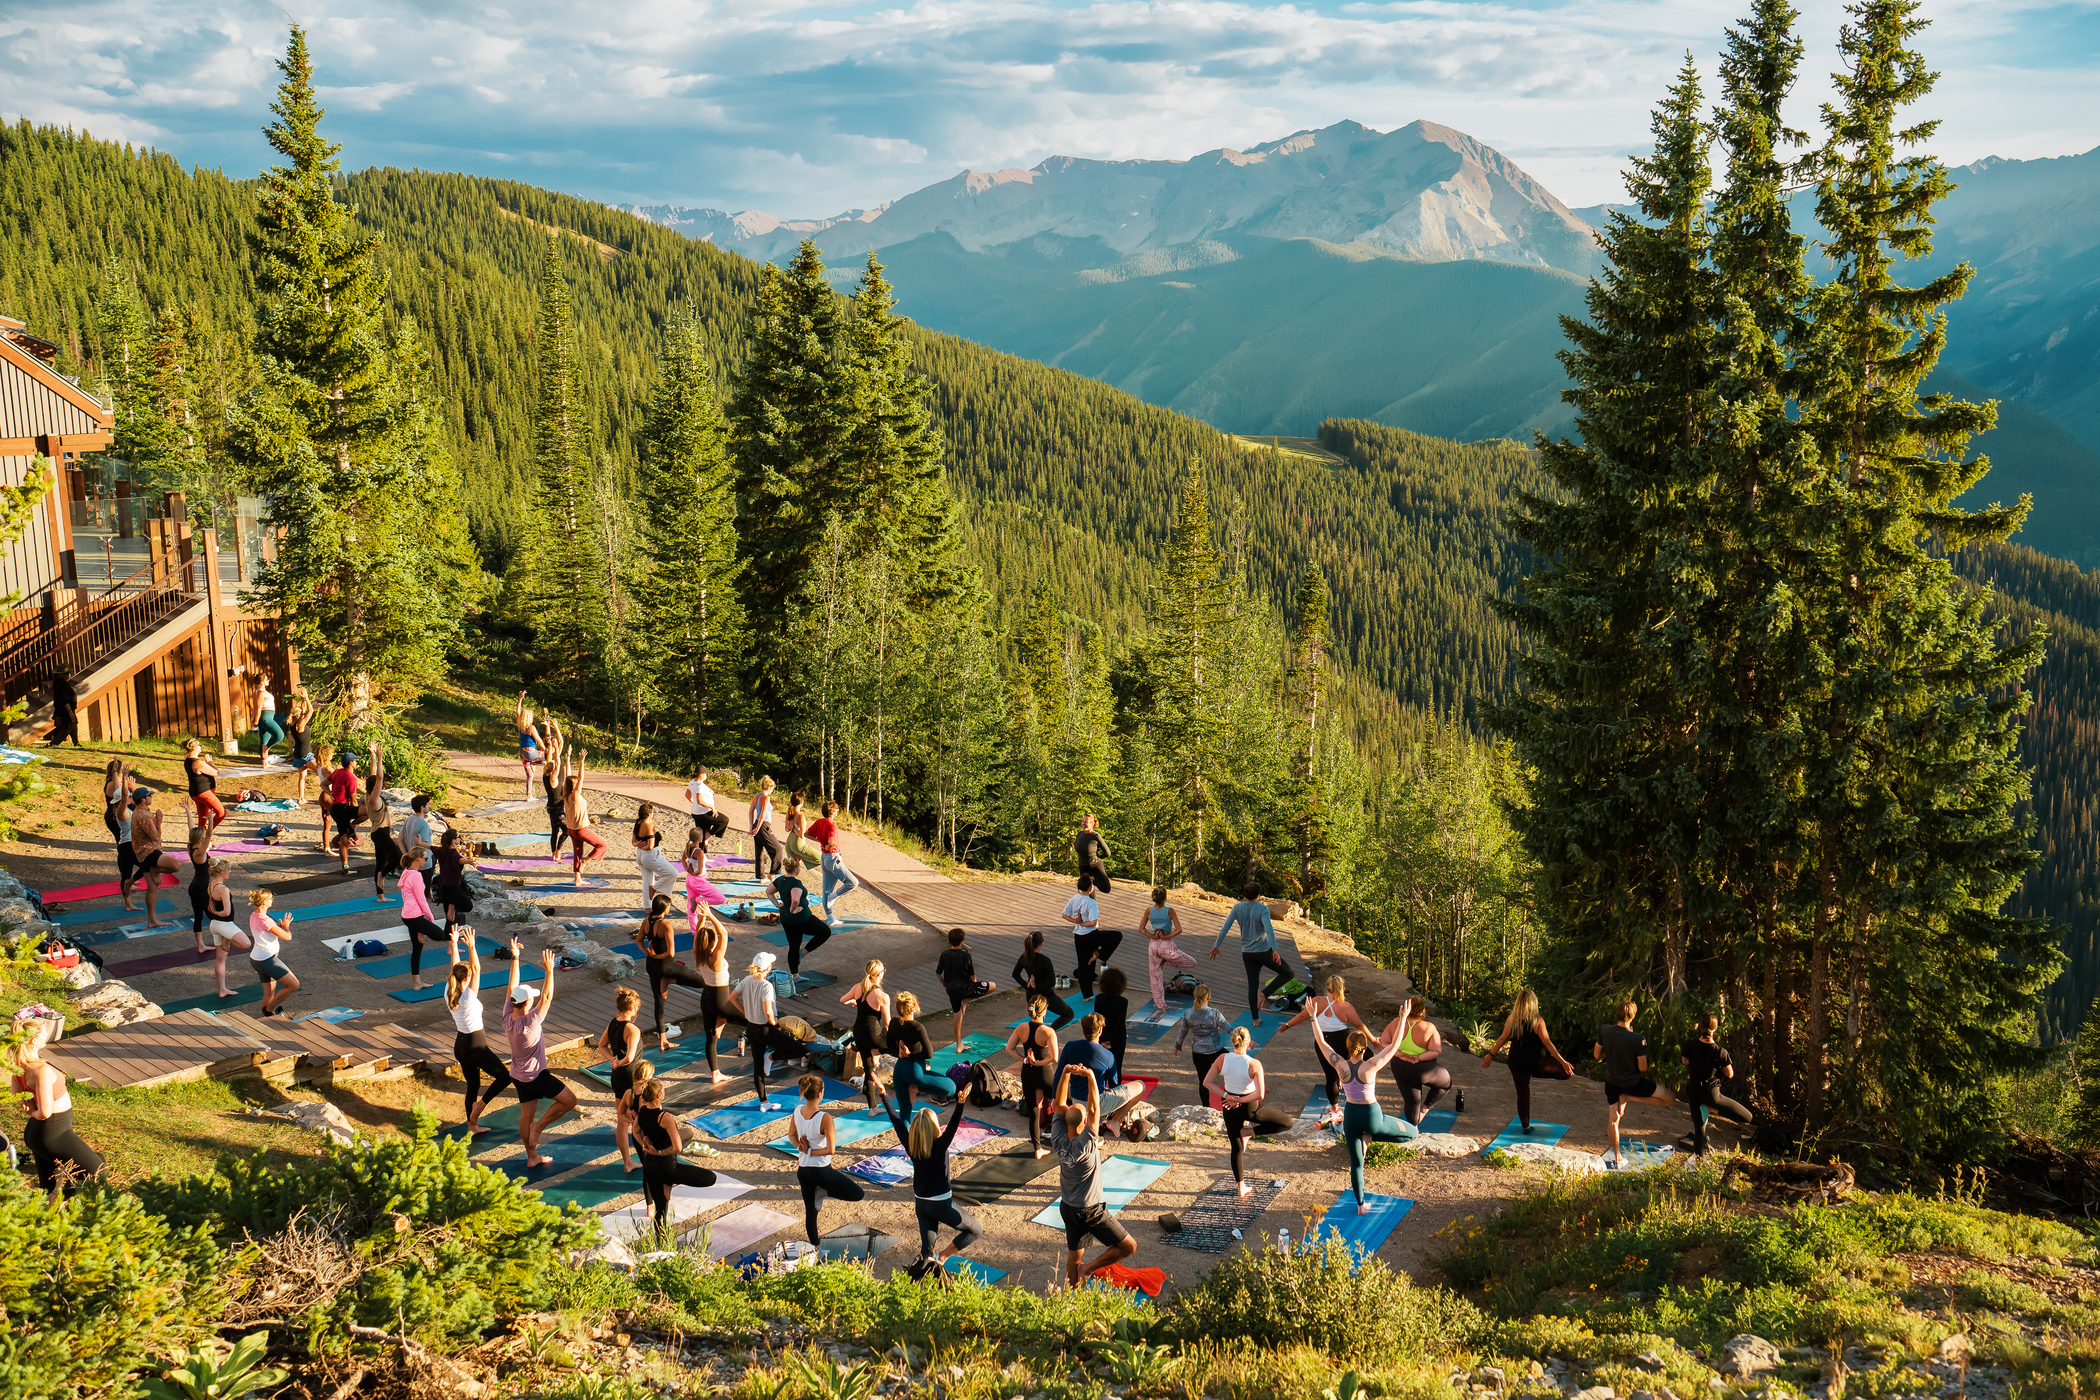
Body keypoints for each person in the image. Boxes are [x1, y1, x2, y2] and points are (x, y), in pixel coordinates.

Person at [1313, 1018, 1419, 1213]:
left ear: (1348, 1047)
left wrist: (1313, 1017)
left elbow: (1321, 1042)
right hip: (1372, 1117)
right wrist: (1403, 1018)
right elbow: (1395, 1044)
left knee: (1356, 1164)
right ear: (1364, 1048)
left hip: (1351, 1117)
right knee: (1412, 1133)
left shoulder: (1340, 1065)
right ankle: (1369, 1136)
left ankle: (1361, 1205)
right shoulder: (1371, 1065)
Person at [875, 1088, 980, 1275]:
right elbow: (954, 1124)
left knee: (926, 1253)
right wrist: (961, 1102)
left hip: (922, 1205)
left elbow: (896, 1120)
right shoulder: (940, 1145)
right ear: (934, 1127)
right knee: (976, 1231)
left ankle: (914, 1281)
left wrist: (884, 1095)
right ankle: (943, 1257)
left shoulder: (910, 1144)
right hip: (941, 1205)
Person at [1053, 1061, 1137, 1287]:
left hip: (1068, 1207)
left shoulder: (1058, 1138)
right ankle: (1088, 1269)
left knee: (1074, 1257)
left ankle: (1072, 1297)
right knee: (1129, 1247)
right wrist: (1091, 1076)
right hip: (1089, 1210)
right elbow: (1094, 1109)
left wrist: (1065, 1073)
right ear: (1083, 1122)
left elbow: (1059, 1103)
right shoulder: (1086, 1143)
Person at [10, 1007, 103, 1196]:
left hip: (39, 1133)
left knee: (48, 1186)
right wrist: (33, 1112)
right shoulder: (41, 1071)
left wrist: (28, 1106)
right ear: (33, 1040)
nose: (47, 1035)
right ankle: (64, 1200)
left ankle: (50, 1207)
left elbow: (16, 1093)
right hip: (54, 1133)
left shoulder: (20, 1063)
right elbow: (45, 1112)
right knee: (98, 1172)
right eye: (44, 1033)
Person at [505, 939, 578, 1168]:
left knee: (526, 1115)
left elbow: (511, 987)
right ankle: (539, 1127)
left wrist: (515, 958)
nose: (535, 1000)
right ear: (527, 1003)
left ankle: (532, 1157)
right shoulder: (530, 1023)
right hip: (535, 1076)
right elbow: (546, 997)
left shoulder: (508, 1016)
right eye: (532, 999)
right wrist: (550, 970)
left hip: (518, 1075)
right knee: (570, 1101)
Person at [1203, 1024, 1292, 1195]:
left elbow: (1207, 1082)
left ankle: (1240, 1187)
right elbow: (1259, 1094)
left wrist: (1228, 1096)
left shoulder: (1222, 1058)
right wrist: (1240, 1099)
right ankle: (1249, 1132)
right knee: (1286, 1122)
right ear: (1249, 1042)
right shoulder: (1254, 1063)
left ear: (1232, 1041)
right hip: (1249, 1107)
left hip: (1228, 1104)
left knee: (1236, 1148)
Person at [633, 1078, 720, 1243]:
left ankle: (661, 1242)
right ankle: (668, 1183)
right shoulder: (664, 1117)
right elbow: (677, 1147)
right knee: (711, 1178)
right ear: (659, 1095)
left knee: (660, 1209)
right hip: (668, 1168)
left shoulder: (642, 1110)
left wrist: (644, 1144)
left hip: (650, 1167)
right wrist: (658, 1152)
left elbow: (635, 1131)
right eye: (663, 1089)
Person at [1592, 999, 1675, 1168]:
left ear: (1617, 1013)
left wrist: (1615, 1052)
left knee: (1613, 1120)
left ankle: (1618, 1159)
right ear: (1633, 1017)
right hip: (1633, 1083)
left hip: (1612, 1083)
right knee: (1669, 1098)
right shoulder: (1638, 1039)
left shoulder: (1604, 1030)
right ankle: (1629, 1097)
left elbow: (1596, 1055)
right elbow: (1643, 1067)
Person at [445, 929, 513, 1135]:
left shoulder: (449, 991)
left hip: (461, 1045)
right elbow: (476, 968)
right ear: (467, 978)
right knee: (505, 1077)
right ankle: (480, 1107)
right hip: (475, 1046)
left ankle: (472, 1126)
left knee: (473, 1086)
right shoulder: (468, 996)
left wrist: (455, 944)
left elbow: (455, 969)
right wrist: (472, 946)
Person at [1480, 989, 1574, 1135]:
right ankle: (1530, 1076)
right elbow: (1547, 1043)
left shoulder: (1512, 1019)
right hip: (1535, 1064)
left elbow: (1502, 1038)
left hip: (1517, 1063)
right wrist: (1563, 1062)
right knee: (1566, 1073)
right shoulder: (1538, 1021)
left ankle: (1525, 1127)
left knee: (1523, 1095)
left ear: (1518, 1003)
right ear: (1533, 1003)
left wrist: (1490, 1055)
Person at [1281, 976, 1371, 1125]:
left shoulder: (1316, 1001)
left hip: (1324, 1041)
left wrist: (1287, 1025)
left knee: (1331, 1078)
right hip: (1343, 1041)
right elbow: (1359, 1025)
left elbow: (1303, 1016)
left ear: (1327, 987)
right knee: (1365, 1059)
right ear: (1342, 987)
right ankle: (1360, 1090)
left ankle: (1335, 1109)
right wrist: (1373, 1039)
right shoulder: (1345, 1006)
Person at [790, 1072, 867, 1246]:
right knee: (857, 1194)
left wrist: (800, 1148)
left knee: (811, 1212)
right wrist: (809, 1151)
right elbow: (830, 1150)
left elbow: (791, 1135)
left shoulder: (797, 1110)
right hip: (820, 1171)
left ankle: (815, 1246)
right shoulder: (825, 1118)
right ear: (820, 1094)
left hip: (803, 1170)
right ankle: (823, 1192)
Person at [730, 951, 804, 1101]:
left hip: (751, 1028)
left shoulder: (746, 980)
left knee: (757, 1067)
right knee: (799, 1050)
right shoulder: (766, 986)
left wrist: (746, 1012)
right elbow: (768, 1011)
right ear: (768, 968)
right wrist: (773, 1021)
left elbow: (732, 998)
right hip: (765, 1029)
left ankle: (763, 1101)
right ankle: (770, 1057)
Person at [694, 903, 751, 1085]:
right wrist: (710, 915)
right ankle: (724, 1019)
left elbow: (698, 934)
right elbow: (724, 933)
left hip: (707, 998)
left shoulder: (698, 952)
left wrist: (702, 917)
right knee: (752, 1020)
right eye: (715, 940)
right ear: (712, 942)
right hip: (721, 1000)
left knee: (711, 1038)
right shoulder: (715, 958)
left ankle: (715, 1073)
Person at [1059, 1011, 1146, 1130]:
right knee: (1141, 1085)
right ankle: (1115, 1121)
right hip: (1097, 1103)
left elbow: (1059, 1074)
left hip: (1076, 1099)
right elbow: (1114, 1085)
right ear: (1100, 1031)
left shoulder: (1069, 1046)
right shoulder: (1108, 1056)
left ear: (1083, 1030)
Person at [1680, 1012, 1752, 1156]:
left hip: (1694, 1093)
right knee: (1747, 1117)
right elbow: (1730, 1074)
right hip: (1712, 1095)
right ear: (1715, 1028)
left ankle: (1699, 1164)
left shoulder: (1690, 1045)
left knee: (1699, 1132)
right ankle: (1712, 1109)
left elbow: (1685, 1061)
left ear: (1700, 1026)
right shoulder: (1720, 1052)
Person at [639, 895, 704, 1053]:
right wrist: (655, 956)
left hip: (651, 967)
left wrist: (647, 952)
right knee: (703, 982)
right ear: (664, 908)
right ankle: (670, 980)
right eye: (669, 906)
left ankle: (663, 1041)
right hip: (666, 967)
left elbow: (638, 940)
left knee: (659, 1002)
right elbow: (670, 953)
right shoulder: (666, 925)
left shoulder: (646, 921)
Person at [1005, 995, 1062, 1158]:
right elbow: (1054, 1058)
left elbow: (1009, 1048)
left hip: (1028, 1073)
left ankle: (1037, 1149)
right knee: (1066, 1097)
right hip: (1043, 1074)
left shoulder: (1021, 1027)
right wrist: (1038, 1063)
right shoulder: (1048, 1031)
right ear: (1044, 1011)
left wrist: (1025, 1060)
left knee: (1034, 1110)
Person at [599, 986, 646, 1170]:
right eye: (637, 1008)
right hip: (631, 1077)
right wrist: (618, 1062)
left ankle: (627, 1162)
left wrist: (612, 1059)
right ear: (633, 1009)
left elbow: (602, 1045)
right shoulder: (632, 1029)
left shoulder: (612, 1023)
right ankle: (648, 1158)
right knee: (640, 1119)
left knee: (622, 1120)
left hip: (617, 1077)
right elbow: (630, 1057)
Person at [887, 991, 955, 1116]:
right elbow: (929, 1053)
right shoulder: (917, 1027)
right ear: (914, 1008)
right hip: (914, 1072)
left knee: (904, 1115)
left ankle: (914, 1089)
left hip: (899, 1070)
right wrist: (910, 1055)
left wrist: (899, 1053)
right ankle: (915, 1088)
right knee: (951, 1088)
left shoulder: (893, 1022)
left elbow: (889, 1044)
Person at [1389, 996, 1452, 1125]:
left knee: (1411, 1102)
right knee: (1446, 1083)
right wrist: (1418, 1058)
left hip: (1399, 1066)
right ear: (1422, 1011)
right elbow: (1436, 1050)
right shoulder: (1429, 1027)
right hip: (1422, 1069)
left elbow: (1383, 1043)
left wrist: (1399, 1054)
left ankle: (1414, 1128)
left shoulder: (1396, 1023)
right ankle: (1425, 1108)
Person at [1061, 874, 1122, 1001]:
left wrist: (1076, 922)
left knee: (1084, 965)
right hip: (1090, 935)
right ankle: (1099, 954)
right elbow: (1093, 923)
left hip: (1078, 936)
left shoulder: (1074, 899)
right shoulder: (1091, 902)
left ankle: (1087, 995)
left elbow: (1064, 915)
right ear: (1091, 888)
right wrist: (1082, 923)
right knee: (1117, 936)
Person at [839, 959, 891, 1109]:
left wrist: (853, 1002)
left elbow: (842, 999)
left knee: (869, 1071)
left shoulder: (858, 987)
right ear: (880, 974)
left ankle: (872, 1108)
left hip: (858, 1033)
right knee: (894, 1045)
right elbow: (887, 1024)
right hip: (873, 1035)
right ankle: (876, 1051)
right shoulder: (882, 996)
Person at [771, 858, 830, 986]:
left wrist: (777, 904)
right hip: (801, 919)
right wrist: (793, 909)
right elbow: (795, 899)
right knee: (825, 932)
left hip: (786, 919)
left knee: (793, 945)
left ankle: (795, 976)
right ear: (796, 869)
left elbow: (768, 891)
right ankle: (802, 953)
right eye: (799, 867)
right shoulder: (796, 883)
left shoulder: (780, 880)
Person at [1173, 984, 1233, 1109]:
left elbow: (1183, 1031)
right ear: (1208, 997)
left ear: (1194, 996)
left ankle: (1206, 1107)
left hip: (1198, 1052)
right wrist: (1246, 1040)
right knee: (1232, 1071)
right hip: (1216, 1050)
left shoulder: (1188, 1014)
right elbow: (1229, 1029)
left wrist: (1178, 1046)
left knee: (1204, 1081)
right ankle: (1227, 1100)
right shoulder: (1214, 1013)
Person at [126, 789, 179, 929]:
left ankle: (152, 920)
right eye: (149, 796)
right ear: (143, 800)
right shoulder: (144, 815)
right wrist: (159, 822)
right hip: (149, 852)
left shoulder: (138, 812)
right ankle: (156, 870)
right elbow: (156, 837)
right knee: (176, 865)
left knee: (152, 888)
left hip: (142, 853)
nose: (151, 797)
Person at [1140, 886, 1195, 1014]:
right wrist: (1166, 937)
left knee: (1155, 976)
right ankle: (1166, 960)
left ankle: (1161, 1006)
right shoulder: (1170, 911)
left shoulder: (1148, 910)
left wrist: (1153, 936)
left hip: (1154, 945)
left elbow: (1141, 928)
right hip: (1166, 945)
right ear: (1165, 897)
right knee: (1192, 962)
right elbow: (1179, 929)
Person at [937, 927, 994, 1049]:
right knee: (993, 986)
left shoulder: (944, 954)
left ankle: (959, 1045)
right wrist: (973, 989)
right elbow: (972, 976)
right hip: (966, 988)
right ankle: (966, 1000)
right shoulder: (966, 955)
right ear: (963, 940)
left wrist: (945, 985)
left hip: (952, 989)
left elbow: (938, 973)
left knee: (957, 1014)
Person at [246, 888, 300, 1017]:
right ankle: (269, 1010)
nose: (273, 900)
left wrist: (277, 926)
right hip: (267, 960)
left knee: (269, 993)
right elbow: (288, 937)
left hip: (257, 959)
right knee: (293, 985)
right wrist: (286, 927)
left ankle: (268, 1017)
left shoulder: (254, 915)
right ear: (264, 902)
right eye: (271, 898)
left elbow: (265, 928)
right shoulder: (266, 920)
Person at [399, 849, 447, 991]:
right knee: (440, 935)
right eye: (425, 858)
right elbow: (421, 899)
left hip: (408, 916)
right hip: (414, 917)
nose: (427, 861)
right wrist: (430, 918)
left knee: (417, 948)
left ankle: (417, 983)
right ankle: (417, 982)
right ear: (417, 859)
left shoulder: (406, 872)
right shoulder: (416, 875)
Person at [202, 858, 250, 997]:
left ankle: (222, 990)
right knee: (246, 944)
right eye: (229, 870)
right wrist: (215, 912)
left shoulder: (210, 885)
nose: (230, 872)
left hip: (214, 925)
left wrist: (213, 913)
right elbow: (226, 912)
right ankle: (227, 939)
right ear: (222, 872)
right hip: (224, 925)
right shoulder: (223, 889)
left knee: (220, 959)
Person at [805, 799, 860, 916]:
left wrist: (819, 840)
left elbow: (807, 834)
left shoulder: (819, 822)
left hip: (824, 858)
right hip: (833, 858)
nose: (838, 810)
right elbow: (831, 842)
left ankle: (830, 918)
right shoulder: (832, 826)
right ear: (832, 812)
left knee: (826, 889)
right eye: (836, 809)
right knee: (853, 882)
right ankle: (834, 896)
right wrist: (830, 844)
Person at [1012, 931, 1074, 1029]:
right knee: (1069, 1014)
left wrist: (1026, 985)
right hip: (1046, 996)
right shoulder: (1045, 960)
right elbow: (1052, 982)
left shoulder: (1024, 957)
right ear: (1040, 944)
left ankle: (1039, 1034)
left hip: (1031, 995)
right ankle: (1050, 1031)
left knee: (1037, 1020)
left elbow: (1015, 974)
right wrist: (1039, 987)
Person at [563, 749, 608, 885]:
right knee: (603, 845)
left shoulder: (565, 793)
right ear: (574, 786)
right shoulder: (575, 796)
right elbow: (581, 778)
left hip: (571, 830)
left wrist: (568, 759)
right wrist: (582, 761)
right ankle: (585, 861)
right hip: (581, 830)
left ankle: (578, 880)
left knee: (577, 852)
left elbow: (567, 776)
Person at [363, 741, 401, 899]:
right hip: (381, 833)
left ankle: (380, 896)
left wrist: (373, 756)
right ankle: (383, 875)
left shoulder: (368, 796)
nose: (382, 784)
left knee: (380, 862)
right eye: (379, 785)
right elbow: (379, 777)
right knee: (398, 857)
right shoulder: (374, 799)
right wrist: (380, 757)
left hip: (379, 833)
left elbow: (374, 776)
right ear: (375, 787)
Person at [632, 801, 681, 904]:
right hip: (651, 856)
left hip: (640, 855)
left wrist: (638, 845)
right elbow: (650, 846)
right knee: (673, 873)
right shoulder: (648, 826)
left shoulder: (638, 823)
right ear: (649, 814)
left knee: (647, 882)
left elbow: (633, 842)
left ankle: (648, 907)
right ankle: (655, 889)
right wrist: (642, 846)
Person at [681, 826, 729, 927]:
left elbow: (683, 860)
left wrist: (688, 870)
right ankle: (697, 900)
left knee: (691, 908)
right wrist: (693, 872)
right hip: (698, 881)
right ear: (699, 838)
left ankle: (695, 932)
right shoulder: (699, 852)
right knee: (721, 899)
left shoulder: (688, 848)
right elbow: (699, 870)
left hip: (690, 879)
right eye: (702, 836)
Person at [325, 750, 362, 873]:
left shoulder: (337, 772)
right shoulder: (351, 778)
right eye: (355, 761)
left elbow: (323, 784)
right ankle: (352, 827)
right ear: (350, 763)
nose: (356, 763)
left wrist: (330, 793)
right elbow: (353, 800)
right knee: (368, 812)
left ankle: (345, 867)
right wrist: (356, 818)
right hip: (344, 808)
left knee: (344, 839)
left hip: (335, 809)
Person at [181, 738, 226, 837]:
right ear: (194, 748)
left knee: (202, 819)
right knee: (221, 813)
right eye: (199, 744)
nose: (201, 746)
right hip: (203, 793)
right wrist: (210, 763)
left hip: (196, 792)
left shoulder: (188, 761)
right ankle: (205, 835)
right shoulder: (198, 763)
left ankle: (200, 839)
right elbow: (216, 772)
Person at [1093, 967, 1131, 1082]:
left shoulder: (1099, 998)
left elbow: (1097, 1020)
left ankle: (1100, 1089)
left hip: (1102, 1035)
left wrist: (1101, 1040)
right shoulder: (1123, 1002)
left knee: (1100, 1066)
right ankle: (1116, 1090)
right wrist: (1113, 1042)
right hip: (1117, 1039)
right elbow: (1119, 1024)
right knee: (1116, 1067)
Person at [434, 828, 476, 925]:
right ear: (453, 840)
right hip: (450, 888)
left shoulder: (442, 850)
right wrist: (468, 861)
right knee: (467, 906)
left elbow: (430, 847)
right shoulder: (452, 853)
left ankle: (449, 934)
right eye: (458, 837)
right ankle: (452, 906)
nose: (460, 839)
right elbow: (459, 860)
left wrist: (420, 843)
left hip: (444, 887)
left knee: (450, 920)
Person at [541, 718, 569, 859]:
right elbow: (557, 763)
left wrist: (554, 726)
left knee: (554, 831)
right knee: (567, 831)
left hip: (552, 806)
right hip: (557, 808)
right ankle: (557, 852)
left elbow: (560, 743)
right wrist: (556, 748)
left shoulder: (546, 772)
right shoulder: (553, 777)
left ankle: (554, 854)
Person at [186, 824, 214, 956]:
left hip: (195, 887)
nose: (205, 835)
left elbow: (191, 828)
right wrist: (210, 819)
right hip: (200, 888)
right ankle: (223, 941)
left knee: (199, 916)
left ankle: (201, 946)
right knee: (213, 916)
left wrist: (188, 813)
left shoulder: (192, 847)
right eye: (203, 834)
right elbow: (209, 835)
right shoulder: (200, 851)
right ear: (199, 838)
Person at [749, 776, 784, 882]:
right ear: (769, 787)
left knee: (759, 851)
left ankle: (760, 876)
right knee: (778, 850)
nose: (772, 790)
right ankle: (773, 873)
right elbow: (763, 815)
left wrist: (752, 826)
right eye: (772, 788)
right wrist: (757, 828)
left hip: (757, 824)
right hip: (763, 825)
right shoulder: (766, 798)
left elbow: (750, 811)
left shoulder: (756, 796)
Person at [286, 690, 317, 796]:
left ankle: (301, 798)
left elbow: (303, 710)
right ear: (299, 716)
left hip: (297, 754)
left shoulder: (293, 724)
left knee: (302, 777)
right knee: (322, 771)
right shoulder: (300, 725)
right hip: (306, 755)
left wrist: (303, 699)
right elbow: (311, 710)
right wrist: (307, 698)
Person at [1074, 814, 1113, 894]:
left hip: (1095, 866)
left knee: (1106, 888)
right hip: (1083, 867)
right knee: (1086, 892)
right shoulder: (1080, 835)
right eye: (1083, 821)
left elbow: (1108, 853)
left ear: (1092, 824)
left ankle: (1092, 882)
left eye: (1086, 822)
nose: (1083, 823)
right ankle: (1090, 885)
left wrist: (1098, 857)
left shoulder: (1096, 837)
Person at [687, 765, 728, 839]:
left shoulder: (692, 782)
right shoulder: (700, 786)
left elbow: (687, 795)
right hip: (704, 812)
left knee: (701, 835)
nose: (706, 775)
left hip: (696, 812)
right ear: (701, 774)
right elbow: (700, 801)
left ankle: (703, 843)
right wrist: (712, 807)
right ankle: (708, 835)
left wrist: (694, 803)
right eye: (705, 773)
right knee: (724, 820)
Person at [515, 691, 544, 798]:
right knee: (551, 758)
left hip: (522, 753)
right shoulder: (531, 728)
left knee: (529, 776)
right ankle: (556, 784)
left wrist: (520, 699)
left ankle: (529, 796)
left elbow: (517, 712)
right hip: (531, 752)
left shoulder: (519, 725)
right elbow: (539, 740)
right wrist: (546, 749)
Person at [400, 792, 436, 870]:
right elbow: (423, 846)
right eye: (427, 804)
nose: (429, 806)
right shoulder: (424, 824)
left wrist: (407, 855)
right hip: (424, 865)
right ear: (422, 808)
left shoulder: (408, 819)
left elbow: (399, 840)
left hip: (412, 863)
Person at [253, 674, 284, 764]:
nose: (268, 680)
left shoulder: (261, 691)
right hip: (266, 718)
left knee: (264, 740)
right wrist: (255, 720)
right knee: (280, 735)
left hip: (268, 717)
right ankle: (266, 748)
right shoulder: (261, 693)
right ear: (261, 682)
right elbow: (258, 707)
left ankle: (264, 762)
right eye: (267, 679)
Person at [310, 744, 336, 851]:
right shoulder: (328, 770)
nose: (333, 754)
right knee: (340, 819)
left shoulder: (319, 767)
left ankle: (326, 847)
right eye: (331, 753)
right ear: (327, 755)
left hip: (322, 796)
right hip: (328, 796)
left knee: (327, 823)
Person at [44, 669, 78, 747]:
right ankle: (53, 744)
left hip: (67, 710)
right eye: (67, 674)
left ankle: (76, 743)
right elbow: (65, 699)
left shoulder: (60, 685)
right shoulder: (63, 686)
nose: (69, 675)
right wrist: (69, 711)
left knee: (73, 725)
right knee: (67, 728)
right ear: (63, 675)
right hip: (65, 711)